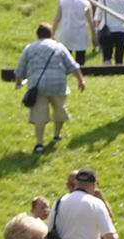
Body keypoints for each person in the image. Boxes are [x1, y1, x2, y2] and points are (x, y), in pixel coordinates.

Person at [15, 22, 87, 153]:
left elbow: (20, 68)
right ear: (52, 34)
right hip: (57, 84)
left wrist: (18, 82)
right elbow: (73, 65)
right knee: (59, 109)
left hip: (37, 85)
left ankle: (39, 144)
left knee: (39, 114)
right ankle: (56, 136)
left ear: (37, 35)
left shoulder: (29, 48)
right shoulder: (59, 47)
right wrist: (81, 80)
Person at [54, 0, 93, 66]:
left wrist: (53, 32)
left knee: (65, 57)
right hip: (80, 32)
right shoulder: (85, 1)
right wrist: (94, 35)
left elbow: (57, 18)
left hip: (66, 30)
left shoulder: (63, 0)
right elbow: (90, 20)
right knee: (80, 57)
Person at [96, 0, 124, 64]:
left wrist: (96, 30)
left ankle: (107, 70)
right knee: (120, 54)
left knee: (107, 54)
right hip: (122, 29)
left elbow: (98, 14)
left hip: (108, 29)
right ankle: (119, 70)